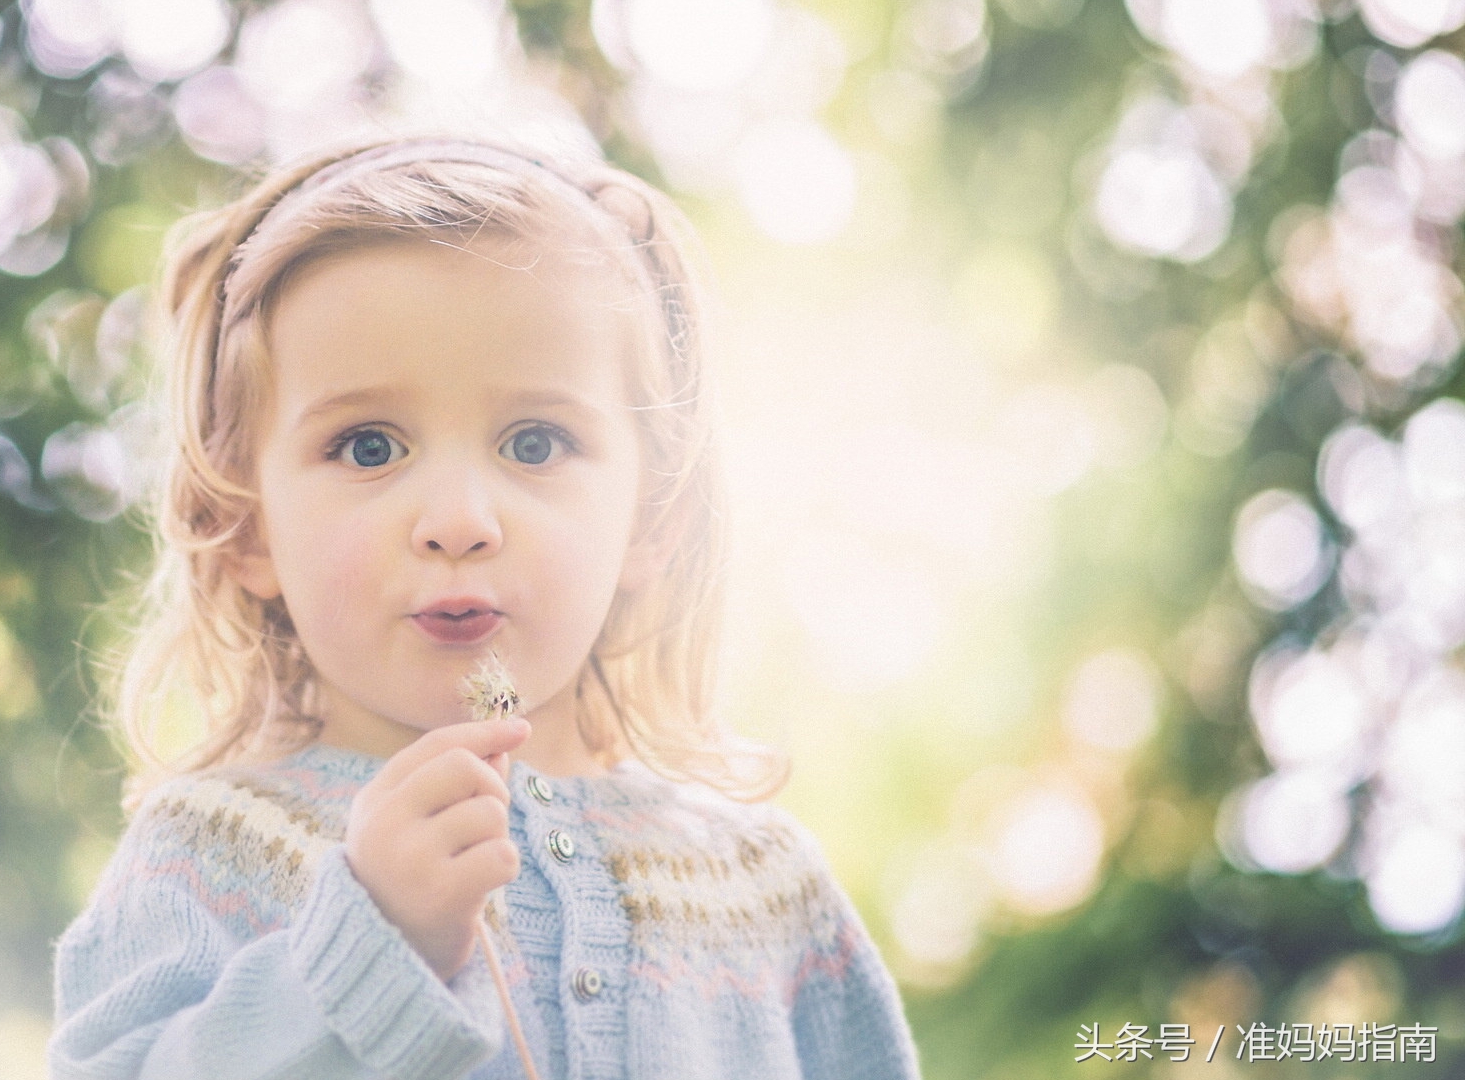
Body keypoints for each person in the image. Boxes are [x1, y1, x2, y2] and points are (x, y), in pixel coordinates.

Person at [47, 136, 922, 1080]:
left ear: (651, 516)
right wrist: (367, 949)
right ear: (245, 527)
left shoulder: (765, 887)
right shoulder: (209, 856)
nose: (459, 521)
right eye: (369, 447)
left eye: (535, 443)